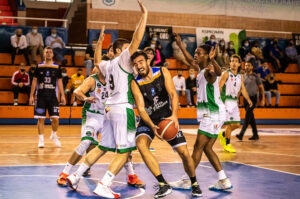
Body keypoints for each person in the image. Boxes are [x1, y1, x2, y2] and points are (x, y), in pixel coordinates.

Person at [67, 1, 147, 197]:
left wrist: (99, 43)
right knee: (125, 151)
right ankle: (104, 184)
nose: (131, 51)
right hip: (122, 109)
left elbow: (95, 61)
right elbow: (137, 39)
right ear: (120, 51)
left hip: (109, 111)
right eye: (127, 49)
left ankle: (75, 176)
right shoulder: (122, 60)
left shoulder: (107, 65)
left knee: (102, 147)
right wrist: (144, 15)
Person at [131, 51, 202, 198]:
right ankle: (163, 184)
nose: (138, 66)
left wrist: (174, 116)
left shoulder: (162, 71)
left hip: (166, 117)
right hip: (148, 120)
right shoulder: (135, 82)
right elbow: (141, 108)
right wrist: (152, 126)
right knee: (141, 144)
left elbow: (173, 95)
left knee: (184, 152)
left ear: (147, 61)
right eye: (135, 64)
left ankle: (194, 183)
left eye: (140, 62)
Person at [173, 33, 232, 191]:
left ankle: (187, 180)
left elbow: (217, 73)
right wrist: (180, 45)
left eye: (199, 53)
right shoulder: (200, 69)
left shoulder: (209, 70)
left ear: (207, 55)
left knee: (198, 148)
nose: (195, 55)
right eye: (195, 53)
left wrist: (213, 60)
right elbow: (189, 59)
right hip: (214, 114)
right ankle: (223, 180)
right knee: (207, 148)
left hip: (211, 115)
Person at [57, 66, 108, 186]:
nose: (96, 71)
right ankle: (64, 173)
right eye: (95, 68)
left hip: (106, 116)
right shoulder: (91, 79)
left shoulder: (112, 80)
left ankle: (131, 174)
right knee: (86, 142)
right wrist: (85, 98)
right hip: (91, 115)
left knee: (119, 145)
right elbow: (76, 91)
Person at [29, 46, 66, 148]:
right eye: (47, 52)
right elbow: (34, 81)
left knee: (55, 119)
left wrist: (63, 95)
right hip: (40, 97)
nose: (49, 54)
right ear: (44, 54)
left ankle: (54, 135)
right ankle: (41, 140)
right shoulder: (38, 66)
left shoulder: (57, 67)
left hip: (52, 97)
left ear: (53, 54)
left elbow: (60, 82)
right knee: (41, 119)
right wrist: (31, 96)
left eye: (50, 52)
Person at [218, 55, 253, 153]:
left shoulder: (240, 76)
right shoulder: (226, 74)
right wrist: (218, 99)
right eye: (232, 61)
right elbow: (219, 87)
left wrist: (248, 99)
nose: (233, 63)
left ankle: (224, 135)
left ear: (239, 64)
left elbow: (242, 89)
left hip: (234, 102)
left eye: (235, 61)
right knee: (230, 124)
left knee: (237, 124)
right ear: (229, 63)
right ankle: (227, 144)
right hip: (226, 101)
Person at [236, 62, 265, 141]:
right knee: (250, 117)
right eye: (246, 65)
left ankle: (241, 134)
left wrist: (263, 99)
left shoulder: (255, 76)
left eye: (249, 65)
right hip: (245, 99)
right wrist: (237, 98)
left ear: (252, 67)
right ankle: (255, 135)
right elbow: (240, 89)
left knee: (247, 116)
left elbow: (261, 88)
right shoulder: (242, 76)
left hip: (253, 98)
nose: (247, 67)